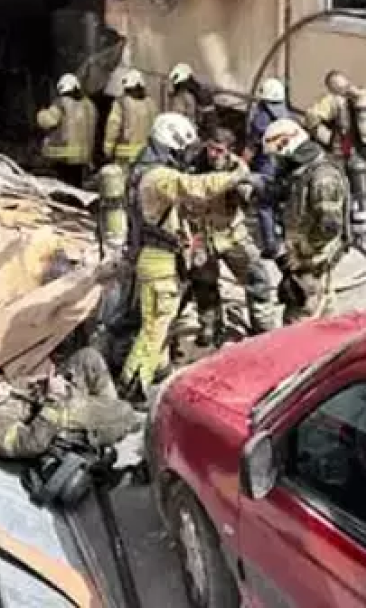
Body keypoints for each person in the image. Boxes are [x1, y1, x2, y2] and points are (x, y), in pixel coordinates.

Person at [120, 113, 251, 399]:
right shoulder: (159, 176)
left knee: (160, 323)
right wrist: (234, 177)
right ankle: (132, 386)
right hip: (159, 258)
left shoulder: (141, 168)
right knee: (154, 327)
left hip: (153, 255)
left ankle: (159, 368)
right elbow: (194, 188)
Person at [0, 348, 140, 460]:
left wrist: (39, 383)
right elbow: (29, 444)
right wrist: (54, 399)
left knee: (88, 359)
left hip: (42, 402)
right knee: (124, 412)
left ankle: (105, 416)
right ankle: (117, 421)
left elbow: (10, 395)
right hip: (50, 428)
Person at [186, 127, 280, 348]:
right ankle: (210, 327)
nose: (213, 155)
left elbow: (247, 193)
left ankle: (263, 328)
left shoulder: (237, 167)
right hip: (202, 234)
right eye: (210, 148)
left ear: (228, 151)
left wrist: (248, 190)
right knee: (203, 285)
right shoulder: (193, 164)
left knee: (257, 278)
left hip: (231, 234)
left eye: (219, 150)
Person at [263, 117, 350, 323]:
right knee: (325, 311)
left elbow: (329, 227)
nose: (276, 162)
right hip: (309, 257)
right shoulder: (303, 170)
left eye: (277, 156)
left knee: (298, 318)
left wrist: (300, 254)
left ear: (286, 145)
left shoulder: (323, 178)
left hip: (313, 258)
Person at [303, 71, 366, 248]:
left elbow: (311, 118)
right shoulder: (355, 98)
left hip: (353, 151)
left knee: (353, 192)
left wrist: (327, 138)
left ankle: (354, 232)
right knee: (358, 193)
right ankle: (359, 233)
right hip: (357, 152)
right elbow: (312, 117)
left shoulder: (343, 99)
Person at [245, 77, 290, 257]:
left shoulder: (261, 119)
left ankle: (270, 245)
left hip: (267, 167)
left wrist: (241, 165)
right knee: (283, 205)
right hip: (285, 167)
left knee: (265, 206)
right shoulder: (288, 116)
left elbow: (251, 147)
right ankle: (287, 239)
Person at [35, 72, 97, 187]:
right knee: (76, 183)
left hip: (64, 154)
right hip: (83, 154)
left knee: (63, 183)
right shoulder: (89, 105)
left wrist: (41, 113)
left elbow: (49, 121)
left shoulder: (61, 103)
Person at [103, 68, 157, 168]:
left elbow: (113, 127)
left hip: (125, 157)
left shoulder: (121, 103)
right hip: (147, 157)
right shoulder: (151, 104)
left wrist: (108, 150)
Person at [167, 63, 216, 137]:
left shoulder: (186, 95)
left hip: (186, 132)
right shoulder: (197, 92)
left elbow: (182, 115)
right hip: (192, 131)